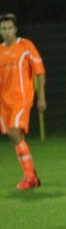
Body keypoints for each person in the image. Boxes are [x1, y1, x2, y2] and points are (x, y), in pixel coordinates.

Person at [0, 13, 46, 190]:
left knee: (14, 133)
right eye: (4, 28)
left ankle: (29, 177)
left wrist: (41, 96)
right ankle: (32, 175)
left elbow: (39, 72)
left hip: (22, 98)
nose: (7, 31)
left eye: (10, 28)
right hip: (4, 102)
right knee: (16, 137)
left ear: (15, 29)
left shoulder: (26, 46)